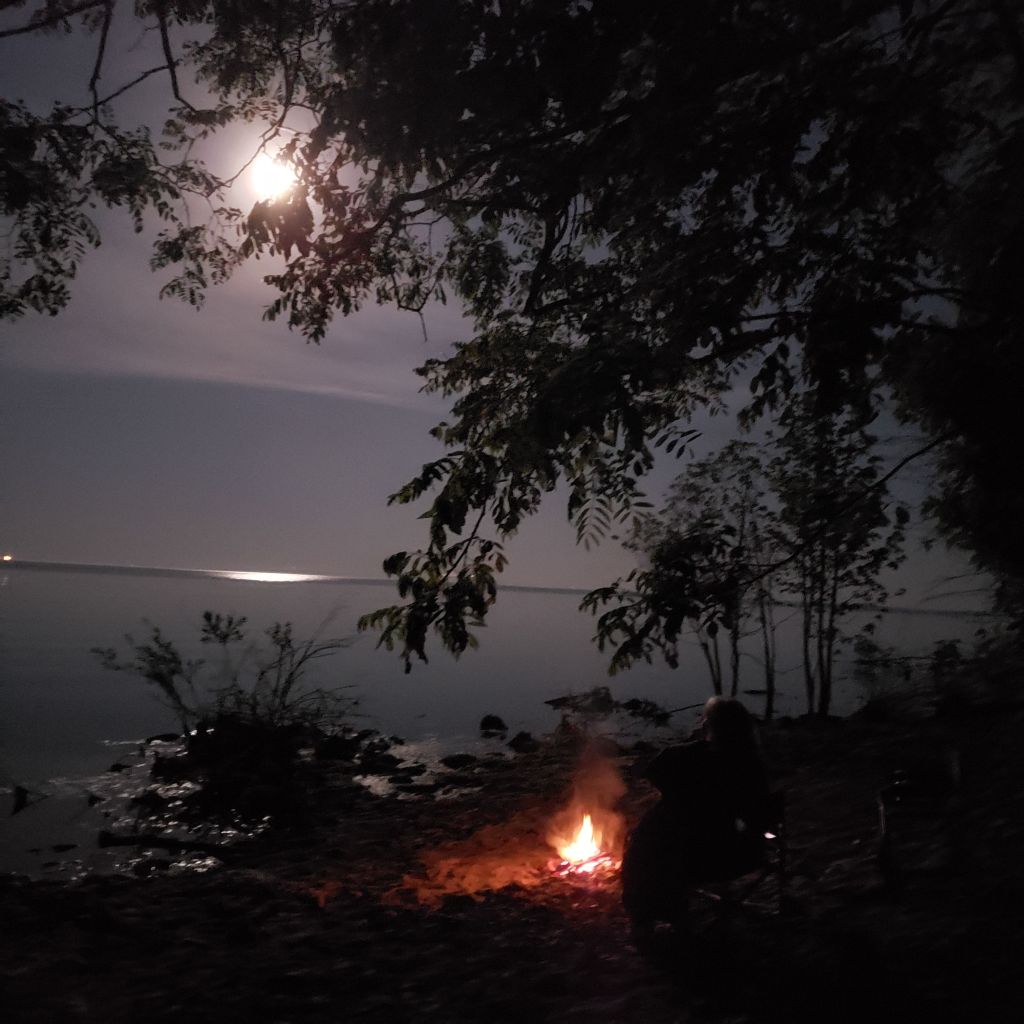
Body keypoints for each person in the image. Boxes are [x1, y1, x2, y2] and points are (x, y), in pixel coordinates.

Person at [621, 696, 772, 940]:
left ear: (709, 726)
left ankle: (650, 916)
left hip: (694, 860)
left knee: (642, 845)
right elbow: (761, 819)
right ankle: (671, 914)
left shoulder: (686, 758)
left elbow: (651, 772)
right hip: (744, 855)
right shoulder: (751, 763)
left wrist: (695, 743)